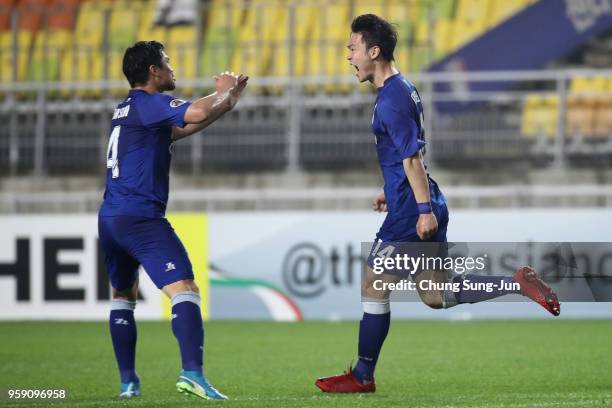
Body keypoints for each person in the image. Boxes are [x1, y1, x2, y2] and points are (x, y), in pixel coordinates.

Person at [314, 14, 560, 394]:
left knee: (374, 284)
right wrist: (392, 187)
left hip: (413, 209)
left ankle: (362, 375)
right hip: (418, 197)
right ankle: (515, 284)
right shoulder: (403, 88)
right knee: (434, 294)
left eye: (353, 48)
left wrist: (422, 210)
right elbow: (405, 156)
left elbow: (412, 158)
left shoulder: (391, 100)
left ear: (373, 51)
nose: (348, 56)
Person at [98, 40, 248, 400]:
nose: (171, 67)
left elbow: (180, 129)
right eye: (166, 62)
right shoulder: (150, 103)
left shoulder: (127, 108)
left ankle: (128, 382)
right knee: (185, 289)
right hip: (141, 217)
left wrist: (225, 104)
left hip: (111, 217)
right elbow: (193, 113)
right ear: (153, 71)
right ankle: (192, 374)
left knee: (123, 295)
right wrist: (220, 92)